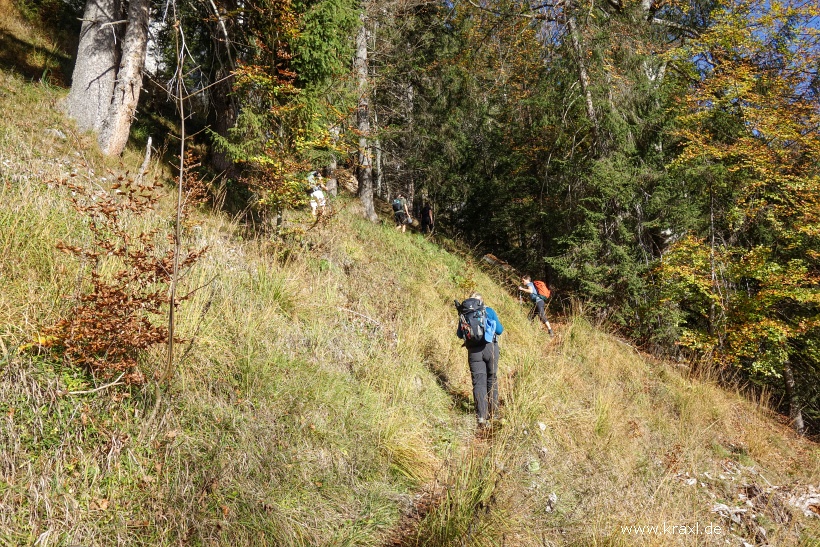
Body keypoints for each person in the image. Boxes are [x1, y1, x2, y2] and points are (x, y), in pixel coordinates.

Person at [456, 292, 503, 429]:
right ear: (482, 301)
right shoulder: (489, 310)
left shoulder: (464, 313)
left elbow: (460, 334)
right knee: (491, 378)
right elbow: (499, 330)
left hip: (474, 352)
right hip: (490, 348)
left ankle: (481, 417)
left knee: (478, 382)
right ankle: (493, 412)